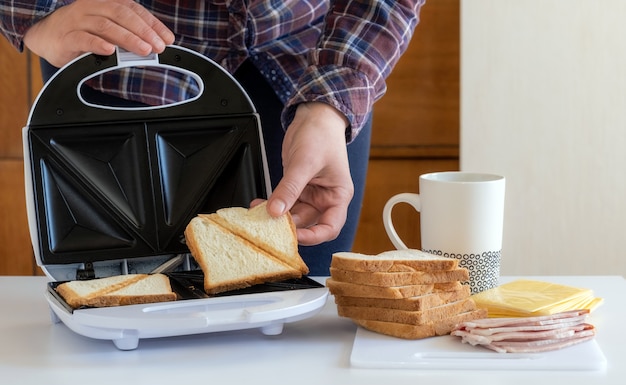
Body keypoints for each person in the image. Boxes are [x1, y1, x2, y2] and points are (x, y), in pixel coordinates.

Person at [0, 0, 426, 276]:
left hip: (312, 76)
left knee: (297, 334)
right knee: (118, 331)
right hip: (116, 64)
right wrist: (31, 15)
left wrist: (330, 106)